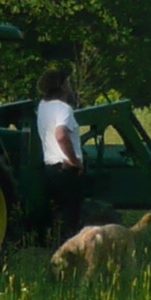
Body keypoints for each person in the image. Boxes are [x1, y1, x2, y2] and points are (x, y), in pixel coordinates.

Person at [37, 65, 84, 237]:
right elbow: (61, 135)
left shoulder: (42, 107)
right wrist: (75, 161)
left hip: (50, 169)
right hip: (66, 170)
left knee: (57, 217)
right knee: (71, 220)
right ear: (62, 85)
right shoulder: (64, 109)